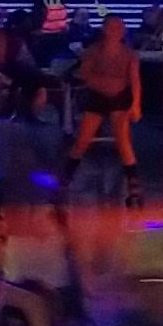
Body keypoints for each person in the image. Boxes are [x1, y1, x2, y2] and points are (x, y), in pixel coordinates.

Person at [69, 15, 142, 193]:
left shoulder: (129, 54)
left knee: (123, 141)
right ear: (104, 30)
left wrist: (136, 104)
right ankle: (67, 175)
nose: (117, 30)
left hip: (119, 98)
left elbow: (134, 80)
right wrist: (100, 82)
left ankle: (133, 179)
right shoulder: (94, 51)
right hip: (97, 97)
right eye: (112, 27)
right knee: (83, 140)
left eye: (120, 27)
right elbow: (84, 74)